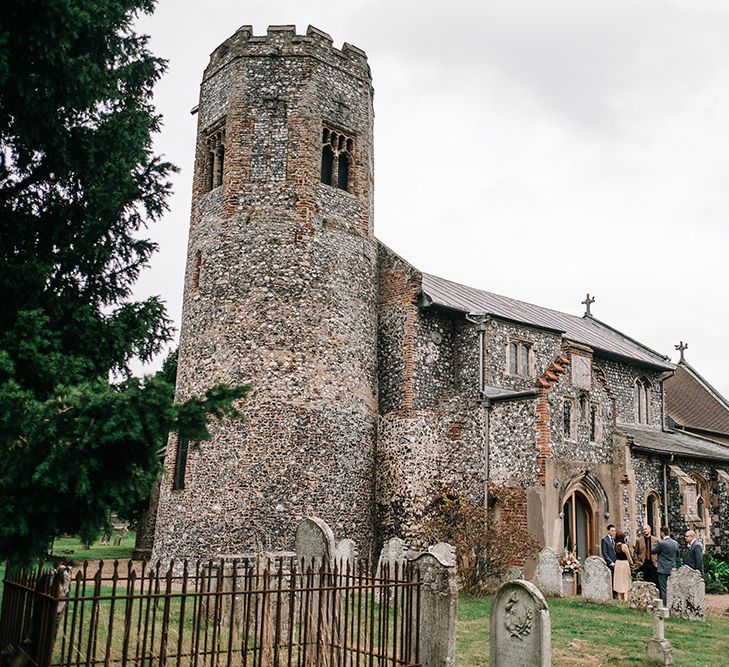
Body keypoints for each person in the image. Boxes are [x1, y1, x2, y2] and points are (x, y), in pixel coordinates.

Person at [651, 526, 679, 606]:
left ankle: (665, 605)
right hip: (672, 568)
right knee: (672, 588)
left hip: (663, 569)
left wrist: (654, 544)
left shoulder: (661, 543)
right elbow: (677, 554)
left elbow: (653, 551)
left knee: (663, 589)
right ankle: (672, 604)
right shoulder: (675, 543)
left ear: (662, 533)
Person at [613, 532, 633, 600]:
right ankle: (626, 599)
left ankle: (620, 600)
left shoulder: (615, 545)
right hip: (624, 564)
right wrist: (632, 563)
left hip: (618, 563)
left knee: (619, 582)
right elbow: (628, 557)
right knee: (625, 582)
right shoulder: (624, 546)